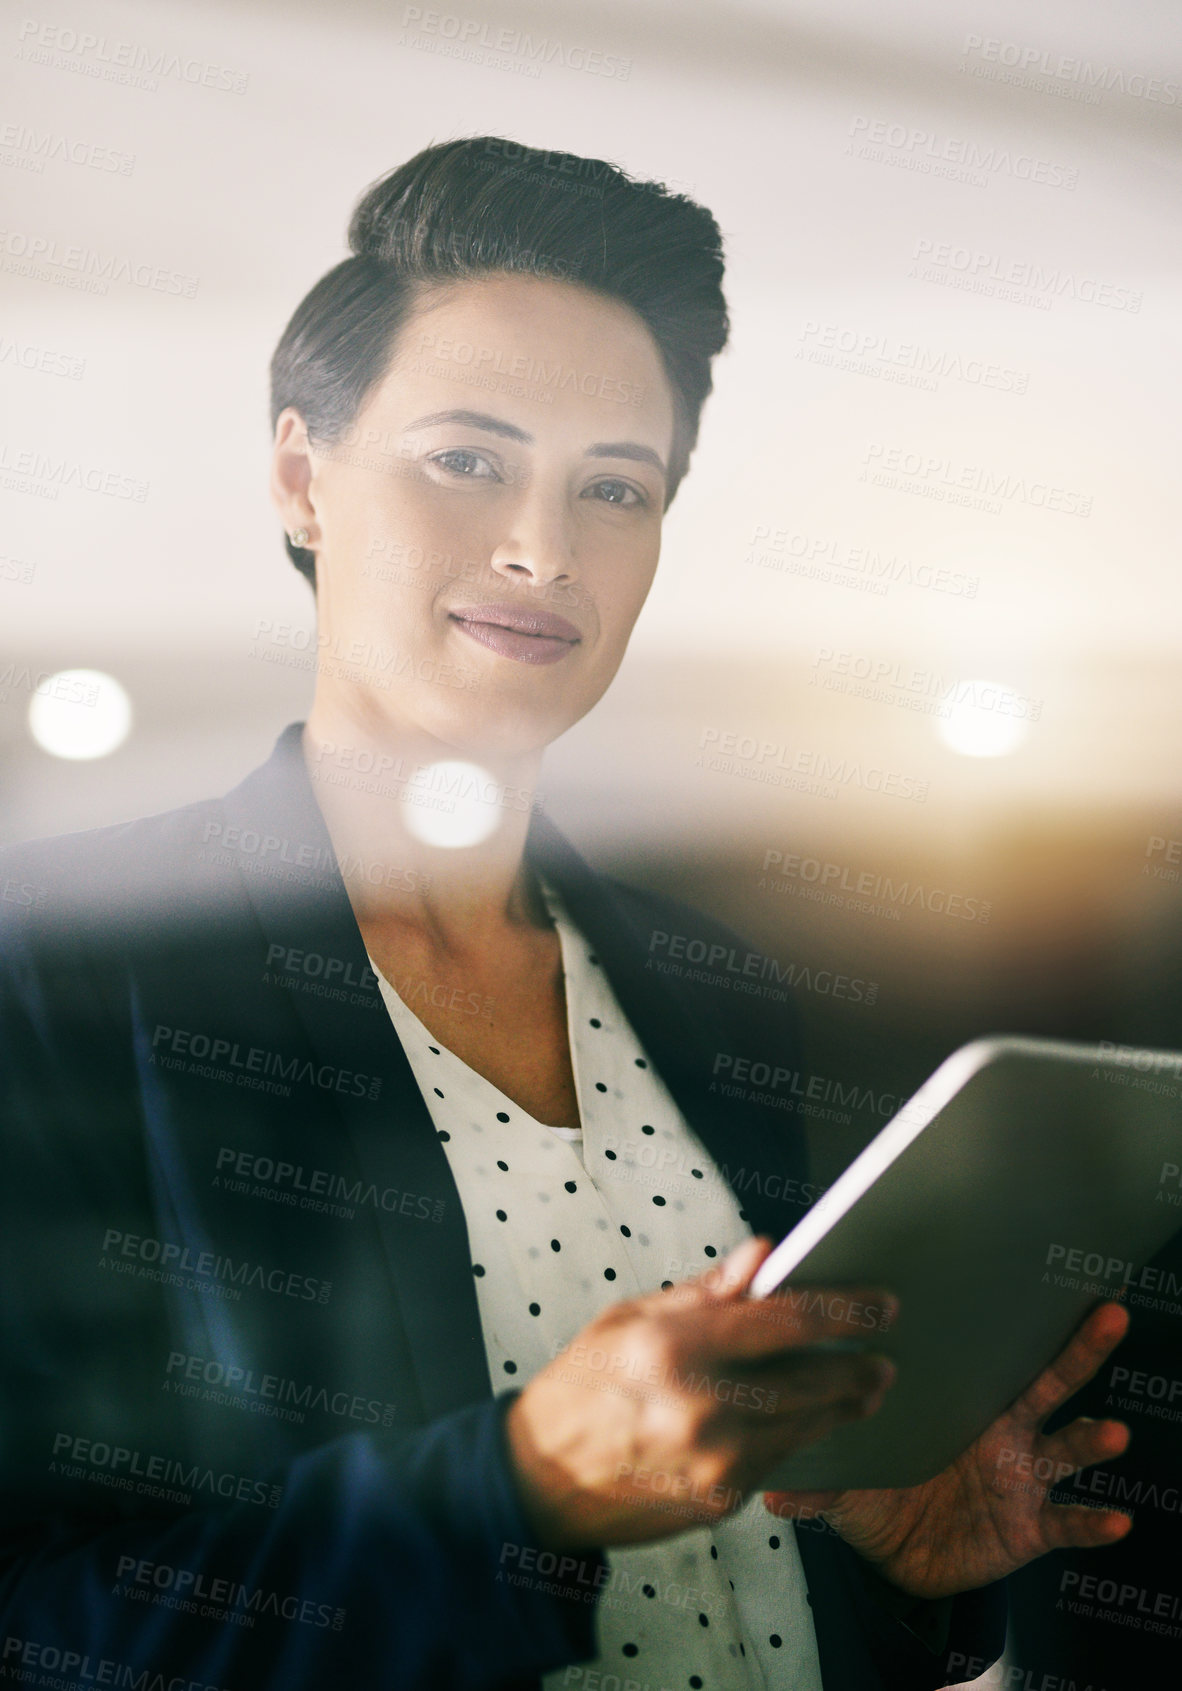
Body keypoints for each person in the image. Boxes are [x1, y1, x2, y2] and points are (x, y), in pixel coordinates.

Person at [0, 136, 1134, 1691]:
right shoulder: (59, 983)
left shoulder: (717, 987)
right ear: (299, 475)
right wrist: (519, 1487)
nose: (544, 550)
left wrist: (892, 1563)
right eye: (468, 459)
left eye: (616, 486)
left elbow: (752, 1562)